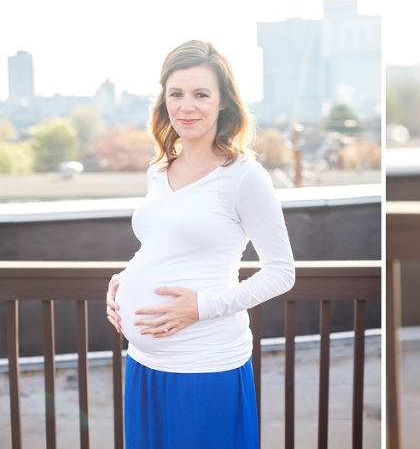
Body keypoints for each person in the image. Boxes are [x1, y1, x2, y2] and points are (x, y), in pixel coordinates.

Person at [105, 40, 295, 448]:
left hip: (205, 367)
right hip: (143, 364)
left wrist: (201, 306)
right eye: (176, 94)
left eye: (201, 94)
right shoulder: (159, 171)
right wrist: (123, 280)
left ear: (223, 102)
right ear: (164, 100)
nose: (186, 106)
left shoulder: (244, 176)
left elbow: (282, 272)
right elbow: (160, 245)